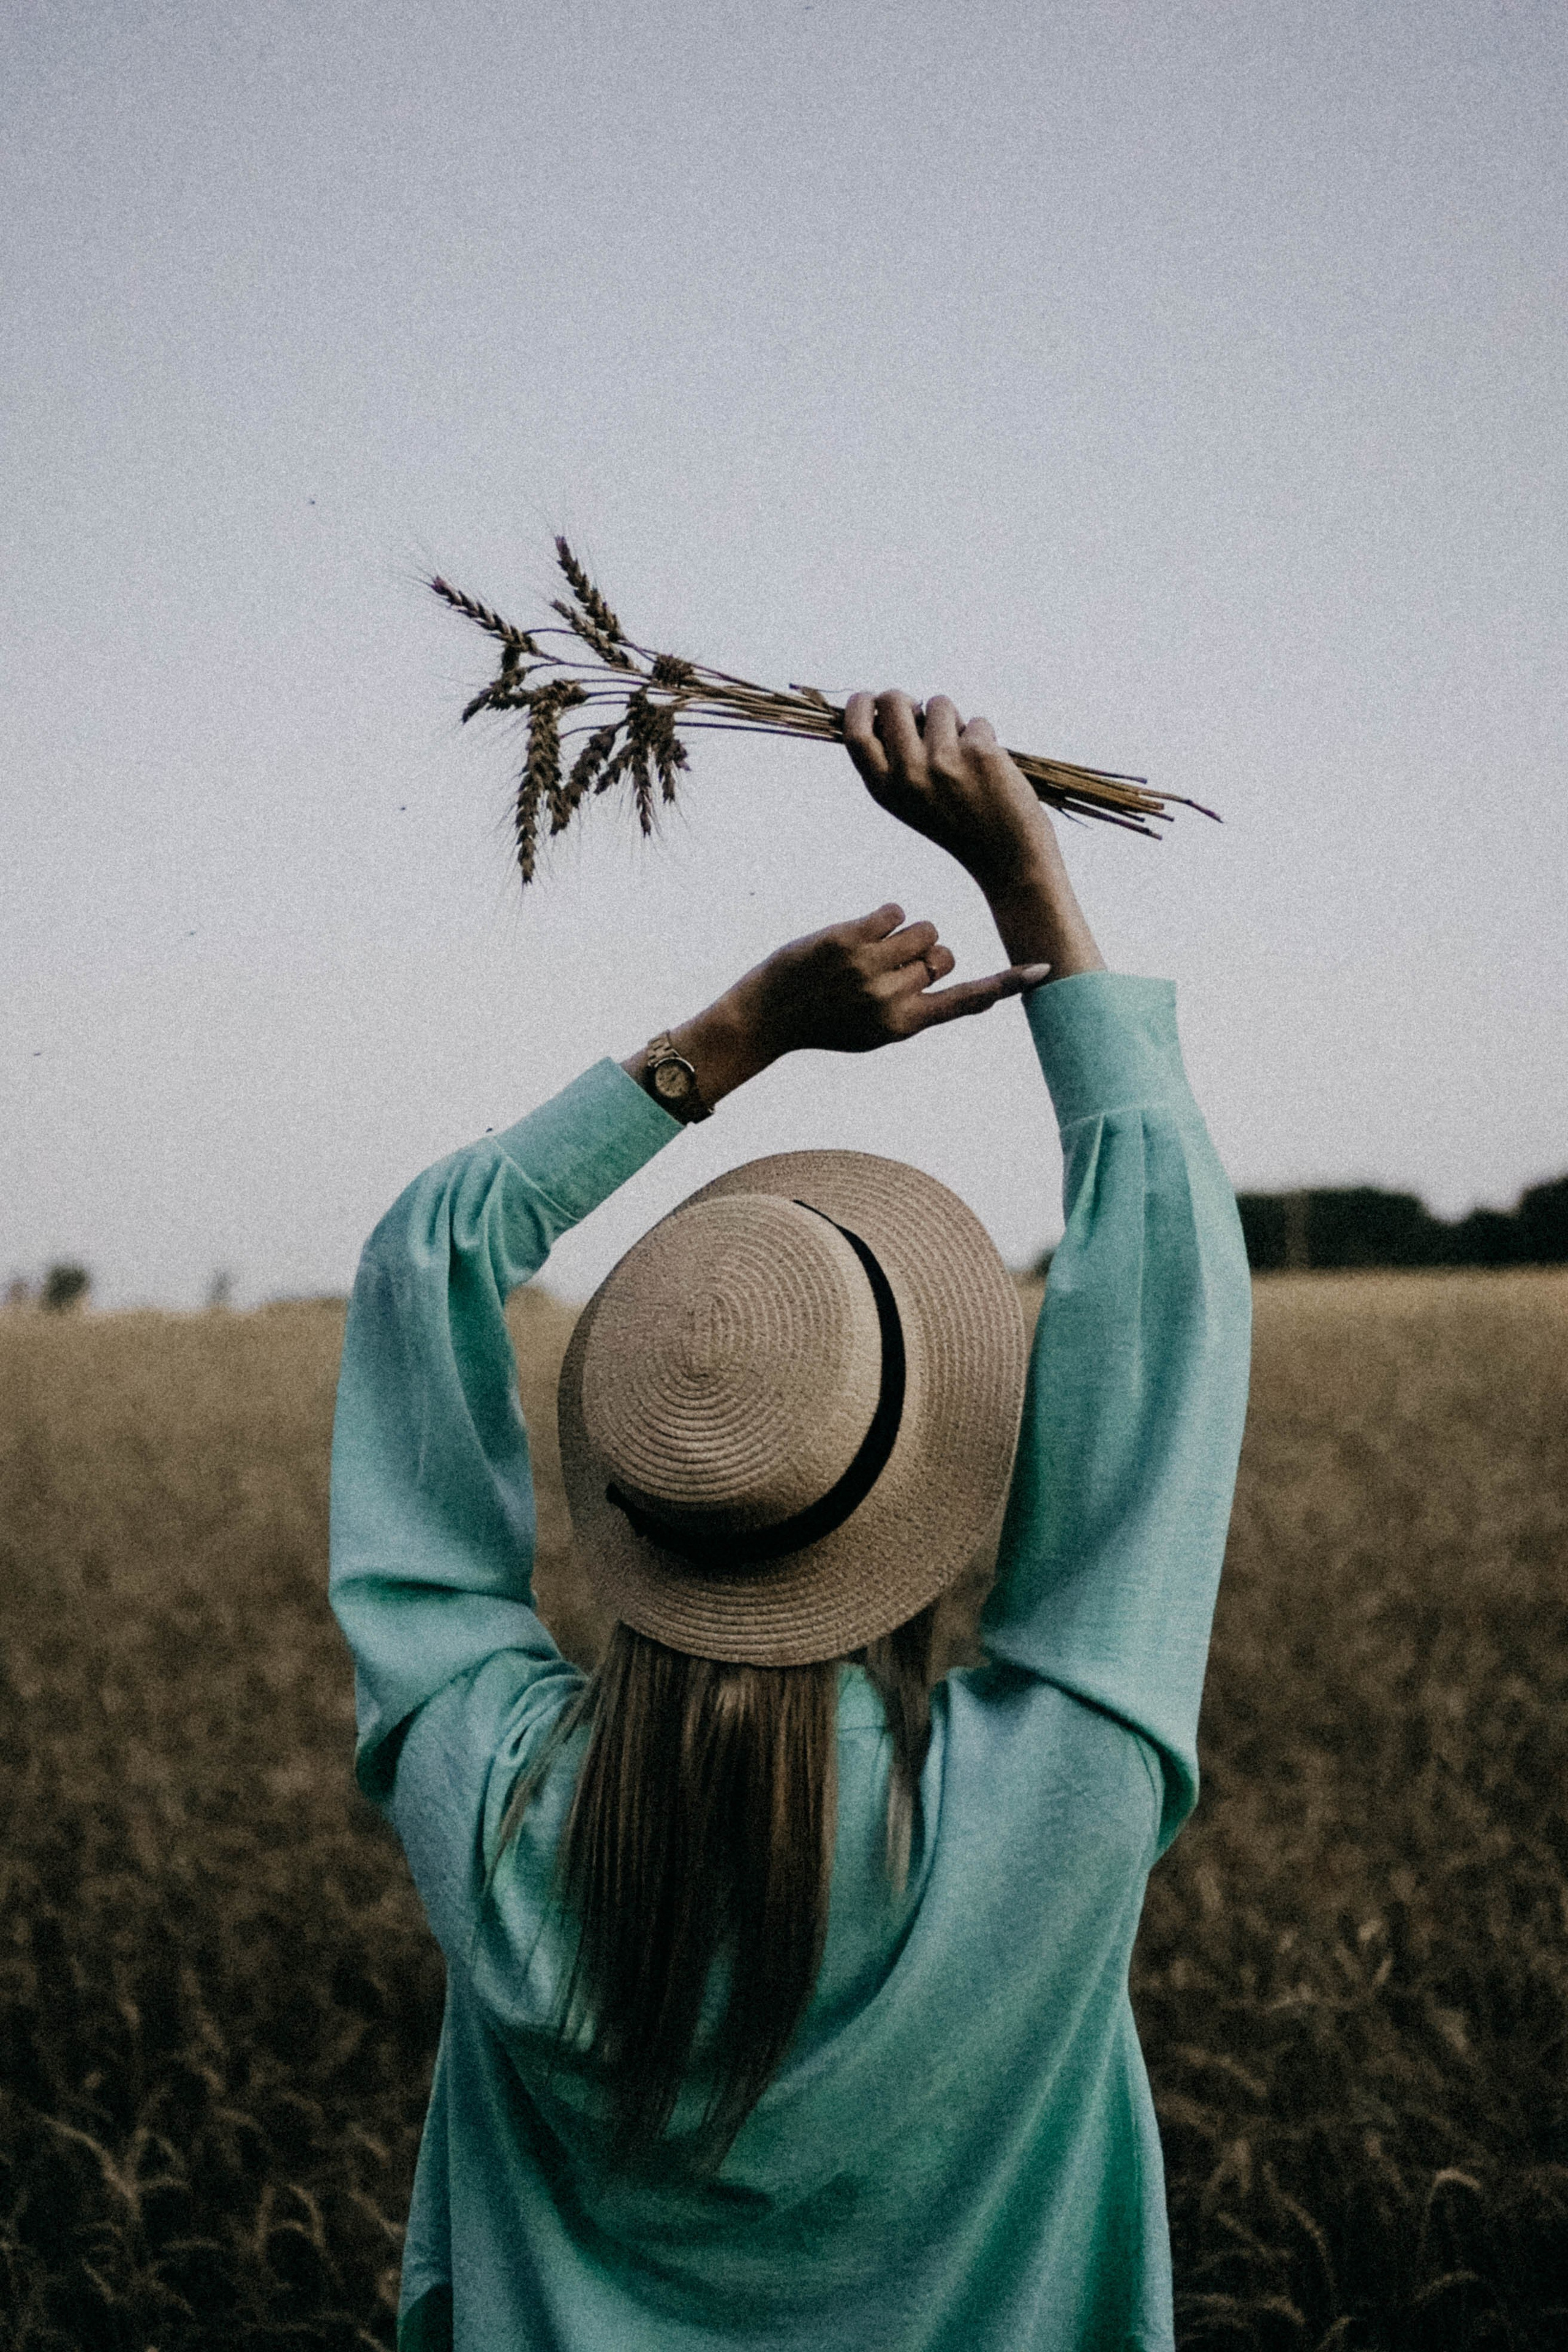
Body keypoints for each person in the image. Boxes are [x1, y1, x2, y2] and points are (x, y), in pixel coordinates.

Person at [330, 691, 1253, 2351]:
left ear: (628, 1489)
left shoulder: (494, 1805)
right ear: (934, 1477)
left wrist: (730, 1035)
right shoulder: (1062, 1798)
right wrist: (1027, 878)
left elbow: (428, 1264)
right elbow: (1171, 1341)